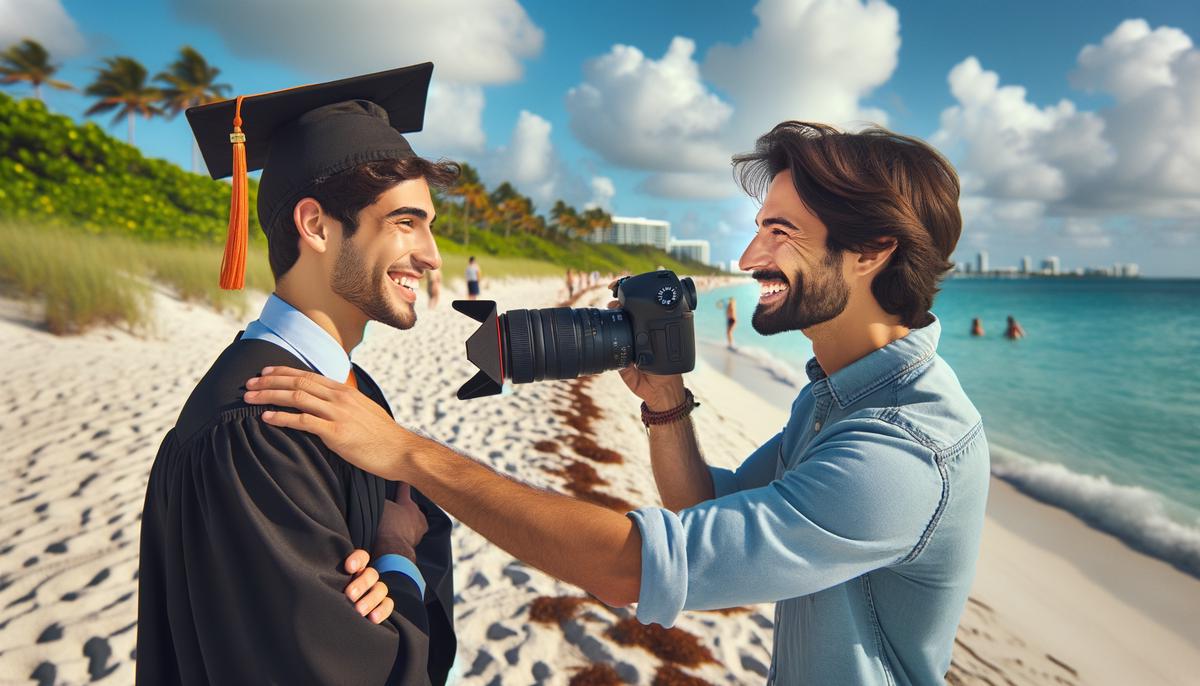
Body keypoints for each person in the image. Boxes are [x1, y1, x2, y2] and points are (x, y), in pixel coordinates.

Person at [243, 121, 988, 685]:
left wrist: (408, 452)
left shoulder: (903, 448)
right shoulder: (834, 397)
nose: (749, 258)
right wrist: (665, 402)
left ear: (870, 252)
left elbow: (635, 570)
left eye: (780, 232)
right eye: (760, 228)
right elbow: (705, 510)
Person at [137, 64, 458, 685]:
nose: (431, 255)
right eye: (404, 222)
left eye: (429, 225)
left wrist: (401, 561)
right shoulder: (256, 426)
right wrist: (399, 558)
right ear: (315, 225)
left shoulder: (355, 392)